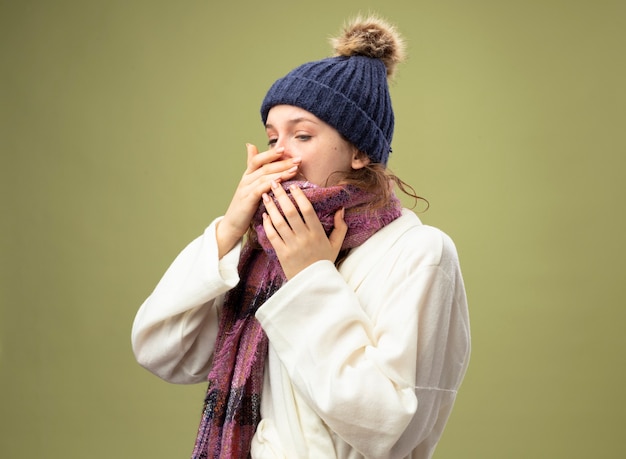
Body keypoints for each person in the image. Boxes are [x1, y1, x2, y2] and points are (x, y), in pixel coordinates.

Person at [131, 14, 471, 459]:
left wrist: (310, 277)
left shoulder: (421, 253)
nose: (280, 154)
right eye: (273, 139)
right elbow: (162, 352)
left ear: (361, 150)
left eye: (303, 134)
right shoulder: (263, 248)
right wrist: (230, 229)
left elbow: (390, 428)